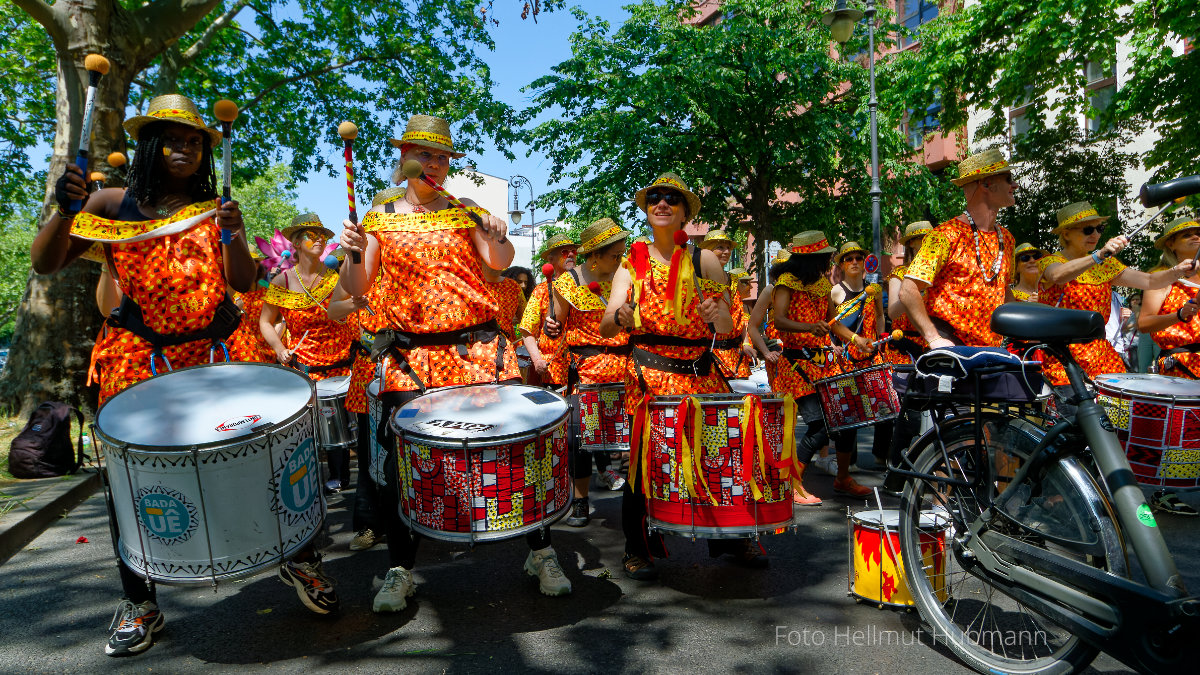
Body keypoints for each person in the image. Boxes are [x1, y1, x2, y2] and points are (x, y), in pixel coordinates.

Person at [30, 94, 336, 656]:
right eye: (172, 139)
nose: (184, 150)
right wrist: (63, 208)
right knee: (129, 478)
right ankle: (141, 600)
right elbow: (45, 262)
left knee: (262, 457)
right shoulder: (111, 202)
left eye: (195, 142)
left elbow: (243, 284)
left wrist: (236, 233)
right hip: (138, 356)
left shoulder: (212, 205)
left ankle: (299, 558)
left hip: (217, 351)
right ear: (149, 145)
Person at [338, 114, 573, 609]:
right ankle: (400, 566)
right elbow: (357, 289)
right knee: (408, 463)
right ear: (404, 158)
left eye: (442, 156)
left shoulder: (466, 209)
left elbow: (500, 263)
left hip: (479, 351)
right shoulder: (378, 218)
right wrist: (353, 253)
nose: (435, 164)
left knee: (513, 451)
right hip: (410, 356)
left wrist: (500, 230)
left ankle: (540, 551)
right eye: (425, 154)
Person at [597, 172, 747, 580]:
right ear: (647, 212)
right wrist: (621, 315)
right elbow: (608, 325)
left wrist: (721, 316)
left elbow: (729, 325)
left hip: (700, 373)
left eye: (671, 199)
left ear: (683, 213)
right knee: (644, 464)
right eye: (654, 199)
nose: (662, 204)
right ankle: (636, 547)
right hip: (649, 374)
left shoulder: (705, 259)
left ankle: (731, 538)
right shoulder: (631, 264)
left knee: (718, 457)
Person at [1038, 201, 1194, 408]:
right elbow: (1058, 276)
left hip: (1101, 355)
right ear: (1066, 234)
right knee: (1075, 429)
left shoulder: (1105, 264)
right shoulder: (1050, 261)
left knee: (1121, 422)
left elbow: (1149, 281)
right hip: (1063, 357)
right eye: (1088, 229)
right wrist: (1099, 255)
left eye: (1099, 229)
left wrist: (1177, 270)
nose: (1095, 234)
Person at [260, 215, 365, 493]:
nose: (320, 239)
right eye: (311, 234)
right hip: (306, 368)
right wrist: (280, 348)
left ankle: (347, 477)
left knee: (347, 429)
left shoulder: (336, 274)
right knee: (312, 429)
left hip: (345, 365)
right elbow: (265, 322)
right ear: (296, 242)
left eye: (323, 235)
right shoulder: (282, 281)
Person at [769, 233, 873, 499]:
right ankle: (792, 486)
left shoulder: (822, 284)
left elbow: (832, 322)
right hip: (795, 365)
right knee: (818, 427)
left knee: (847, 420)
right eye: (824, 256)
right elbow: (779, 320)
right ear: (811, 258)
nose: (829, 261)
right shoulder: (786, 282)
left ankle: (842, 478)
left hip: (823, 363)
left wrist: (856, 339)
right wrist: (809, 327)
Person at [550, 218, 632, 527]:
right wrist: (551, 326)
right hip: (585, 372)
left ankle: (638, 500)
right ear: (594, 256)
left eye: (622, 254)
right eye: (615, 255)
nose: (620, 260)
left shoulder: (628, 277)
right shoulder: (568, 282)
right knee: (578, 439)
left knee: (633, 438)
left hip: (626, 368)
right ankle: (580, 501)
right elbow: (556, 326)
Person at [900, 147, 1018, 349]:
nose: (1014, 185)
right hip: (952, 356)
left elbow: (1004, 293)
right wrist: (934, 338)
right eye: (1008, 178)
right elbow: (908, 290)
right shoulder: (945, 235)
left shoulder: (1006, 239)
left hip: (990, 353)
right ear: (986, 184)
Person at [347, 186, 406, 553]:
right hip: (370, 368)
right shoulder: (360, 263)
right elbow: (337, 304)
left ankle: (421, 518)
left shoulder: (410, 268)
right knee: (373, 453)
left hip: (408, 367)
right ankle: (369, 525)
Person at [747, 248, 823, 507]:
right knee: (786, 424)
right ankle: (787, 481)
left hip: (813, 363)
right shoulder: (772, 289)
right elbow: (753, 326)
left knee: (813, 423)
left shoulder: (813, 286)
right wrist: (766, 351)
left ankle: (789, 478)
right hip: (785, 363)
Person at [1138, 216, 1200, 516]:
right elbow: (1144, 323)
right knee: (1178, 430)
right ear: (1171, 245)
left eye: (1197, 233)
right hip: (1180, 361)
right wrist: (1179, 314)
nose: (1195, 237)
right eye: (1185, 235)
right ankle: (1165, 491)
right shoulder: (1162, 277)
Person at [699, 230, 756, 379]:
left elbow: (739, 315)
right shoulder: (700, 280)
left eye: (728, 248)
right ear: (708, 252)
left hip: (736, 355)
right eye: (720, 247)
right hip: (710, 354)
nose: (726, 252)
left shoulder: (734, 280)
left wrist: (746, 343)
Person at [519, 234, 575, 387]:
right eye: (564, 252)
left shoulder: (584, 288)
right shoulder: (541, 290)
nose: (570, 255)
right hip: (552, 371)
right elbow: (527, 330)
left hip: (583, 368)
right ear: (551, 260)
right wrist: (537, 360)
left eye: (573, 251)